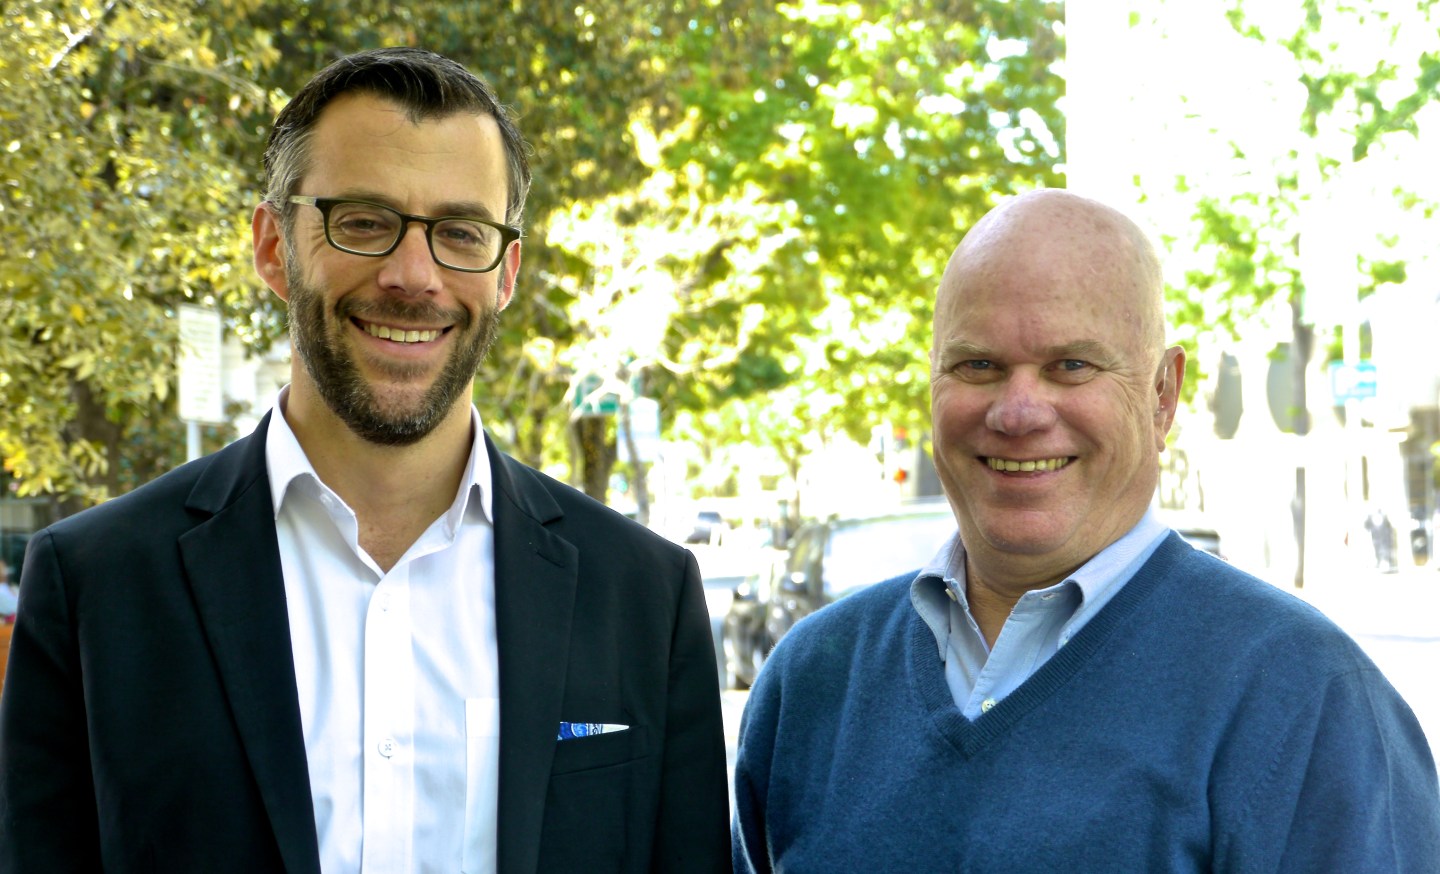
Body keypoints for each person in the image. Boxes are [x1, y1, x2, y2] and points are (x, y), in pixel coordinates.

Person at [0, 48, 729, 873]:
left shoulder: (644, 597)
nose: (412, 276)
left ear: (507, 272)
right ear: (275, 247)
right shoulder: (96, 586)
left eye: (461, 233)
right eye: (362, 221)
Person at [732, 189, 1440, 872]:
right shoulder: (815, 679)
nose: (1016, 412)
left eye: (1071, 365)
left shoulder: (1304, 695)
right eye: (977, 365)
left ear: (1163, 395)